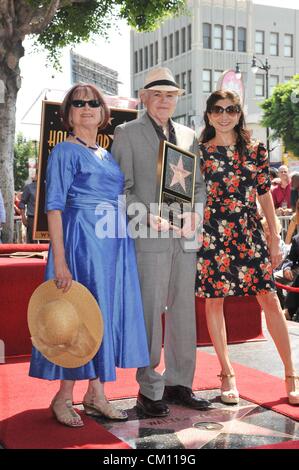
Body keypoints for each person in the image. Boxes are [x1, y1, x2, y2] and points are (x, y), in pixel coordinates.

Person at [29, 83, 150, 427]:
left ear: (103, 112)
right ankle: (63, 396)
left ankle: (96, 394)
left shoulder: (104, 153)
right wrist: (61, 260)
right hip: (81, 242)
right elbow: (54, 207)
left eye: (93, 103)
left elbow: (119, 202)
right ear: (68, 114)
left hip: (111, 246)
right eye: (78, 104)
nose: (86, 108)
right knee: (78, 316)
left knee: (101, 316)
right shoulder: (66, 152)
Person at [112, 67, 211, 418]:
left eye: (171, 95)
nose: (164, 100)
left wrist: (195, 214)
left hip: (184, 238)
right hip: (149, 236)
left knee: (184, 313)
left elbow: (198, 184)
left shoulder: (187, 135)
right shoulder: (126, 133)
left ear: (177, 98)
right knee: (152, 313)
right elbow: (119, 189)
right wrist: (144, 215)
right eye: (157, 94)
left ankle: (180, 383)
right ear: (144, 97)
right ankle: (149, 389)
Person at [196, 89, 299, 406]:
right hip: (212, 233)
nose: (224, 114)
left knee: (268, 297)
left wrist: (274, 235)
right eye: (217, 109)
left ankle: (291, 374)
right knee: (214, 301)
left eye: (231, 109)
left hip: (248, 230)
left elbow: (264, 192)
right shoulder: (199, 152)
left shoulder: (255, 150)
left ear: (239, 113)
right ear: (209, 114)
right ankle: (227, 374)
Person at [19, 173, 37, 243]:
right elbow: (22, 202)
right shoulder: (29, 187)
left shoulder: (48, 187)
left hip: (45, 218)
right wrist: (23, 217)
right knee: (32, 242)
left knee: (46, 242)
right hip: (32, 218)